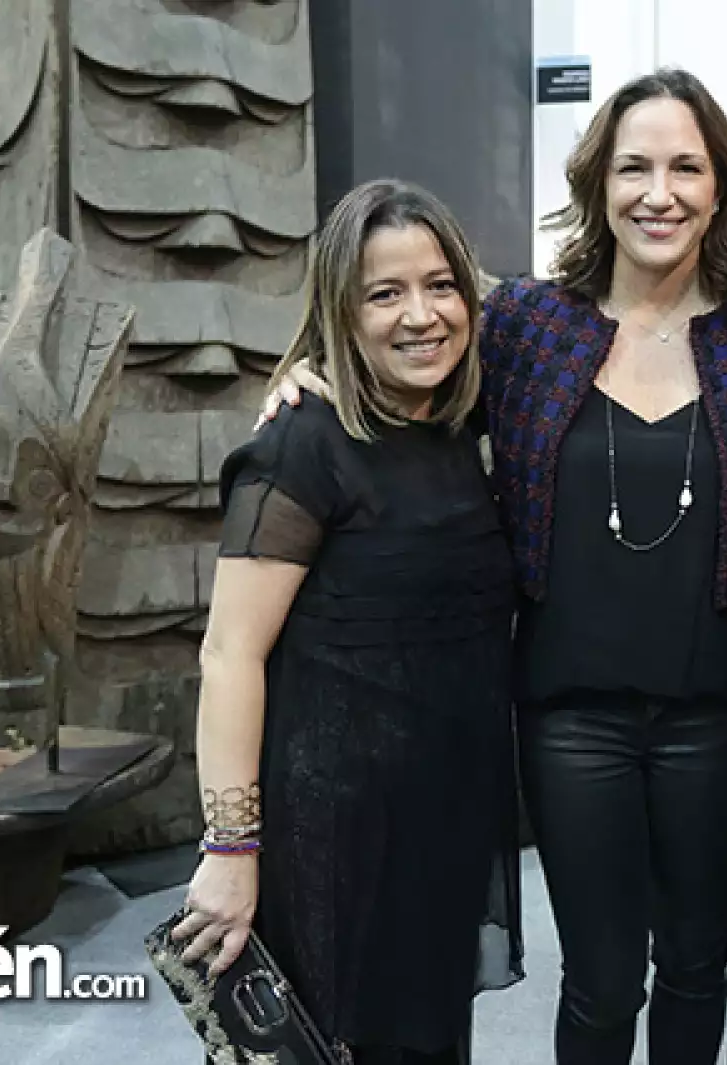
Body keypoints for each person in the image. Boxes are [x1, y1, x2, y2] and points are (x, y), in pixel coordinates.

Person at [265, 70, 727, 1065]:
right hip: (569, 716)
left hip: (723, 710)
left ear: (720, 187)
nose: (659, 191)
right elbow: (407, 388)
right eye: (633, 166)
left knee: (697, 963)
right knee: (600, 980)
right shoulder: (527, 327)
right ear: (598, 183)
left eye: (685, 167)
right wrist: (310, 370)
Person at [170, 179, 523, 1065]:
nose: (422, 315)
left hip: (439, 827)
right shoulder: (302, 444)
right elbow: (229, 654)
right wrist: (230, 845)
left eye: (441, 285)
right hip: (327, 839)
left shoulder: (463, 425)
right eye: (384, 293)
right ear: (340, 310)